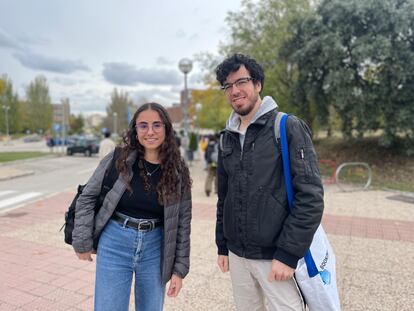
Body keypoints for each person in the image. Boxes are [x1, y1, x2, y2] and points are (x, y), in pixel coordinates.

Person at [215, 54, 324, 310]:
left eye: (241, 81)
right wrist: (222, 245)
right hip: (238, 255)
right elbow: (225, 196)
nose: (235, 90)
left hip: (275, 256)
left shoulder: (287, 127)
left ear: (258, 84)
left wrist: (288, 254)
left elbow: (311, 197)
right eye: (228, 86)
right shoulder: (226, 138)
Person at [72, 102, 192, 311]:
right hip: (115, 241)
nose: (150, 131)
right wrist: (82, 241)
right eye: (143, 125)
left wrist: (179, 270)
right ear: (135, 130)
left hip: (155, 248)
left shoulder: (177, 170)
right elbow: (87, 197)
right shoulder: (118, 159)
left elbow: (182, 223)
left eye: (157, 125)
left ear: (166, 128)